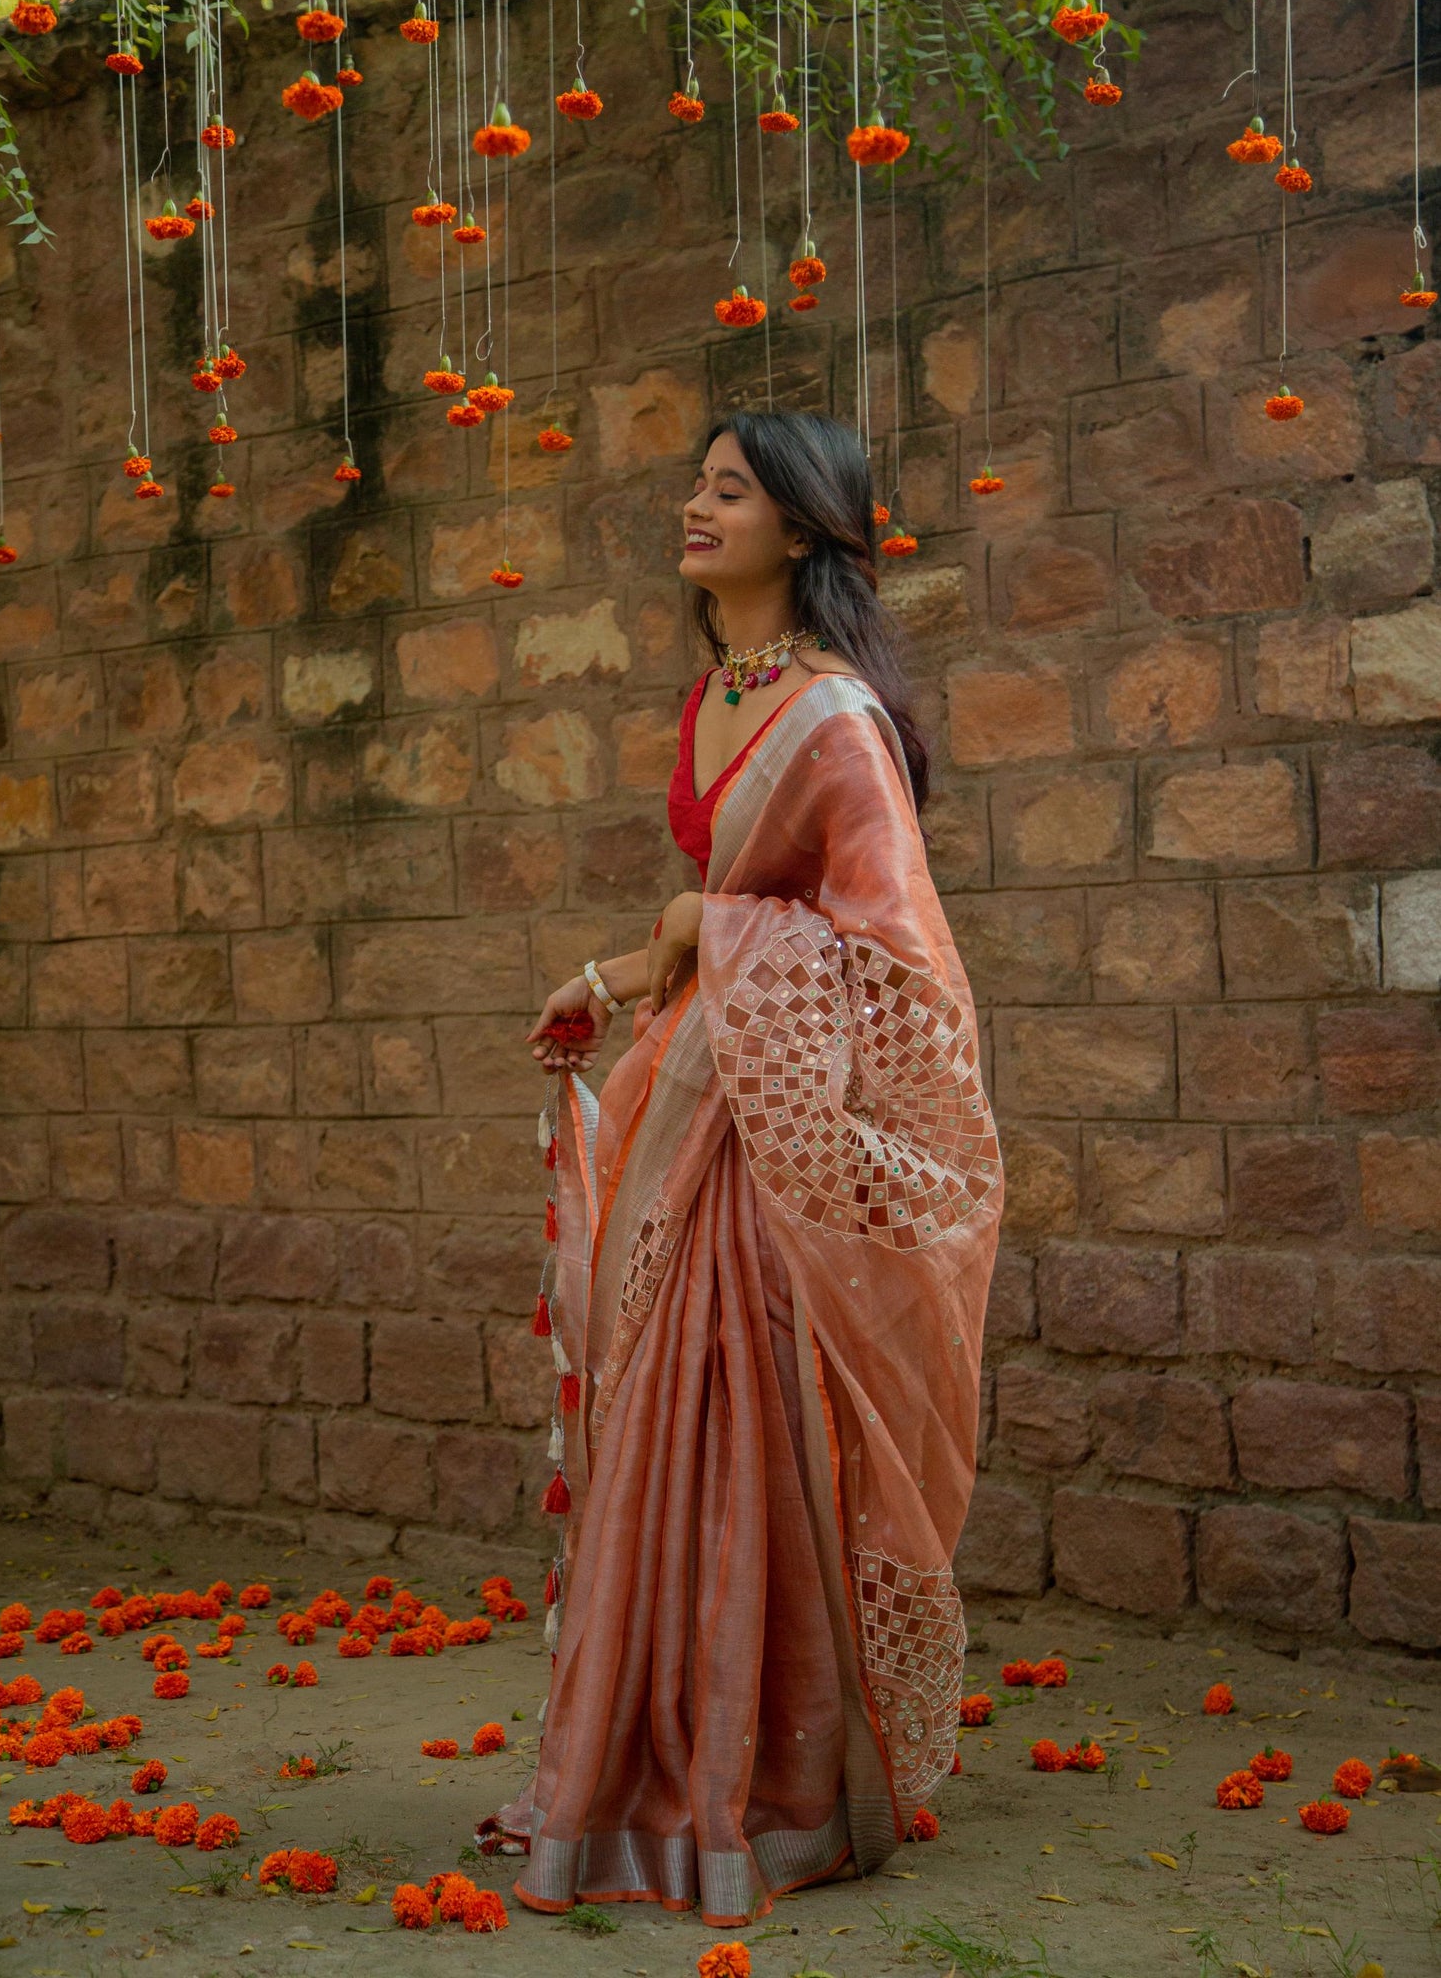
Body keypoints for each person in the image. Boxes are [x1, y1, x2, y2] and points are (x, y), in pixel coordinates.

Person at [499, 409, 1003, 1928]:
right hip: (689, 1108)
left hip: (772, 1144)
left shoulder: (835, 719)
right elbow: (707, 915)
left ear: (803, 527)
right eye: (696, 484)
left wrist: (693, 933)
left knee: (746, 1434)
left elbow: (898, 960)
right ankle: (642, 1759)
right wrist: (617, 965)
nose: (693, 506)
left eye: (728, 490)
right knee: (656, 1428)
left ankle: (765, 1781)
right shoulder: (713, 696)